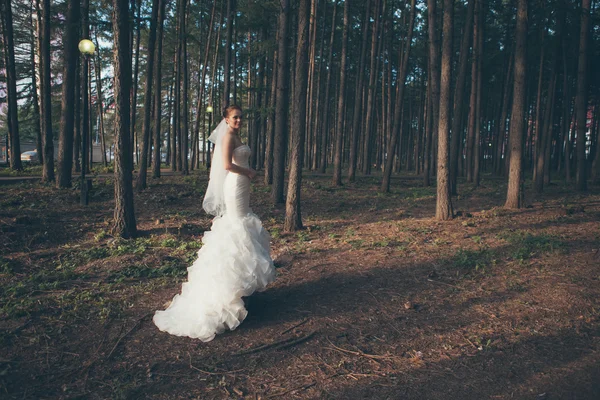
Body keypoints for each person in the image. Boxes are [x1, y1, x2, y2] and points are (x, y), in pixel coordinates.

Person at [153, 105, 276, 341]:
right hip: (236, 183)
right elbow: (227, 165)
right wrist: (249, 172)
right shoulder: (228, 136)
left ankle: (243, 290)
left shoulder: (236, 134)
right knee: (237, 226)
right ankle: (231, 292)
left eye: (241, 117)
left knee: (242, 225)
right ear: (226, 120)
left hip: (241, 185)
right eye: (235, 117)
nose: (239, 120)